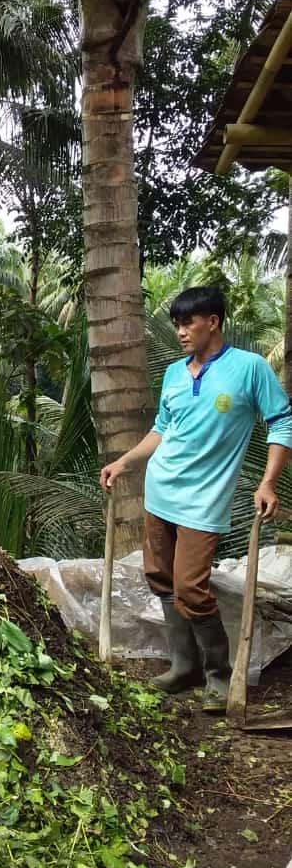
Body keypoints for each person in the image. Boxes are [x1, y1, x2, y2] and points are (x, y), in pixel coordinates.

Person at [100, 286, 292, 711]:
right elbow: (162, 430)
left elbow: (282, 424)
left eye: (188, 322)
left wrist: (268, 483)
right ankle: (184, 667)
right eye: (177, 324)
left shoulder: (249, 369)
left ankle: (219, 676)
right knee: (162, 579)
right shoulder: (173, 373)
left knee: (191, 587)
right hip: (160, 491)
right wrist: (124, 462)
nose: (181, 332)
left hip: (204, 502)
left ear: (213, 322)